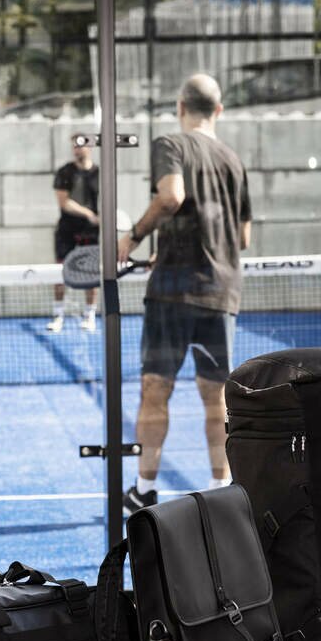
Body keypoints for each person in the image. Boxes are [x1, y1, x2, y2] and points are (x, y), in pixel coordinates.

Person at [117, 73, 252, 514]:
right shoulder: (233, 160)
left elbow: (171, 197)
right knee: (217, 398)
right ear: (219, 110)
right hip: (221, 293)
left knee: (155, 390)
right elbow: (243, 237)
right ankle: (221, 489)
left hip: (173, 293)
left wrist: (133, 237)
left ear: (179, 108)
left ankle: (144, 489)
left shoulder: (170, 145)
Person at [48, 139, 99, 333]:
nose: (78, 149)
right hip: (67, 231)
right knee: (60, 272)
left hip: (91, 233)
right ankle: (58, 316)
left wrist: (103, 218)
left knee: (91, 273)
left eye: (81, 145)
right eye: (75, 145)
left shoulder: (100, 173)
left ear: (90, 147)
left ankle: (89, 316)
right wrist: (89, 214)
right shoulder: (65, 172)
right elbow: (64, 202)